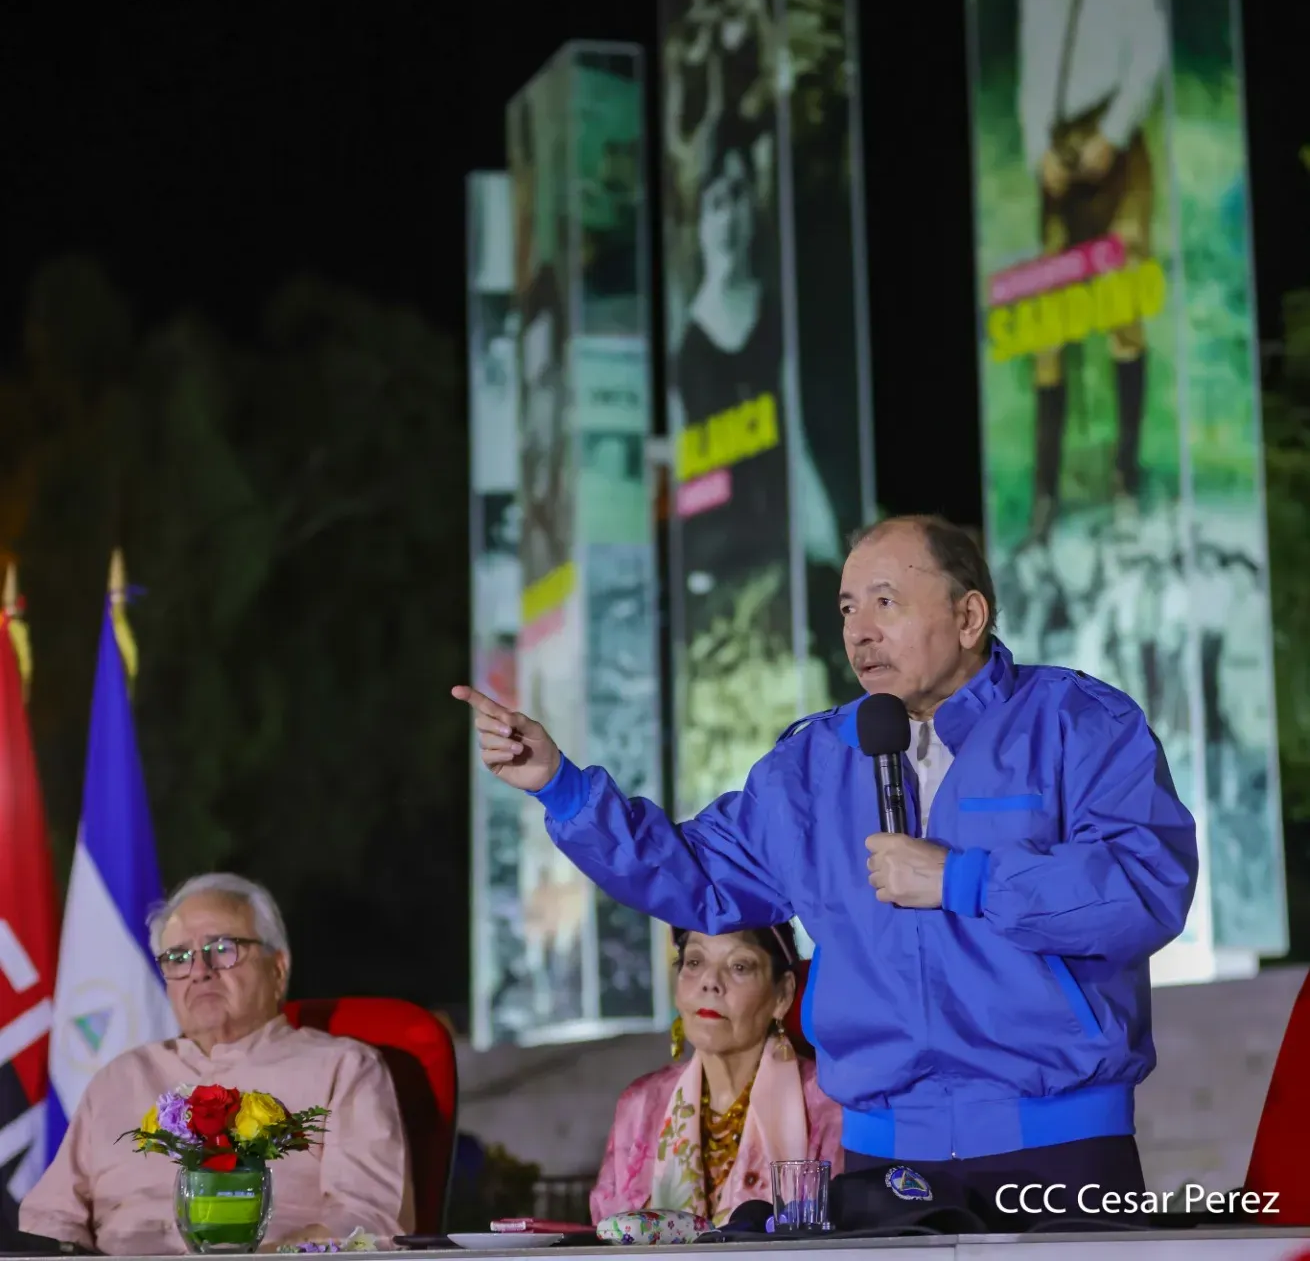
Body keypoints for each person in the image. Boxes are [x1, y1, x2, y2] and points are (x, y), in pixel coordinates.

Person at [456, 514, 1197, 1229]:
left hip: (1059, 1147)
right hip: (882, 1156)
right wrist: (563, 788)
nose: (859, 631)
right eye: (848, 607)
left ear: (969, 617)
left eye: (886, 602)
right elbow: (696, 877)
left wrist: (964, 879)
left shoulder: (1078, 721)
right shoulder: (813, 764)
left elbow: (1145, 889)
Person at [20, 873, 413, 1255]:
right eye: (178, 958)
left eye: (223, 949)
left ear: (278, 968)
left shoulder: (343, 1070)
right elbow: (50, 1219)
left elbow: (368, 1221)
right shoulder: (121, 1079)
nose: (199, 972)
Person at [1000, 0, 1167, 541]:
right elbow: (1032, 81)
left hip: (1114, 145)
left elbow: (1150, 45)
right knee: (1048, 328)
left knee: (1123, 312)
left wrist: (1115, 131)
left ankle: (1128, 479)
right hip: (1063, 156)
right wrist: (1041, 151)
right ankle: (1044, 498)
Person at [591, 924, 841, 1225]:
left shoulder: (826, 1102)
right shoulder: (642, 1104)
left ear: (783, 994)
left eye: (739, 966)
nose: (710, 982)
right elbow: (606, 1235)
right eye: (695, 962)